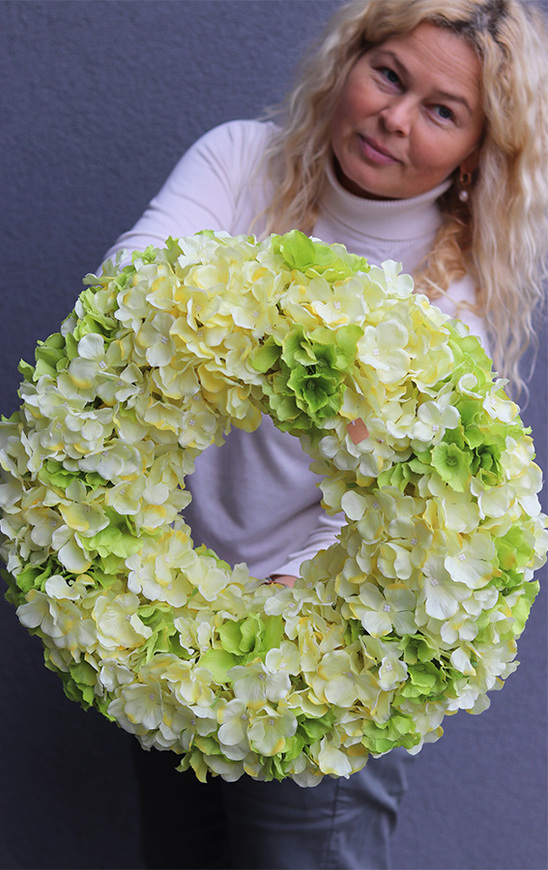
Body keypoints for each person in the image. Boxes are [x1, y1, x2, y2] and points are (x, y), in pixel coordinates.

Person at [103, 1, 548, 867]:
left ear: (473, 153)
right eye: (389, 76)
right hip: (170, 633)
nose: (396, 117)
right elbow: (129, 289)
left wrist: (284, 605)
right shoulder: (241, 160)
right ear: (351, 61)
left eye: (442, 110)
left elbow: (408, 510)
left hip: (323, 661)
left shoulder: (454, 296)